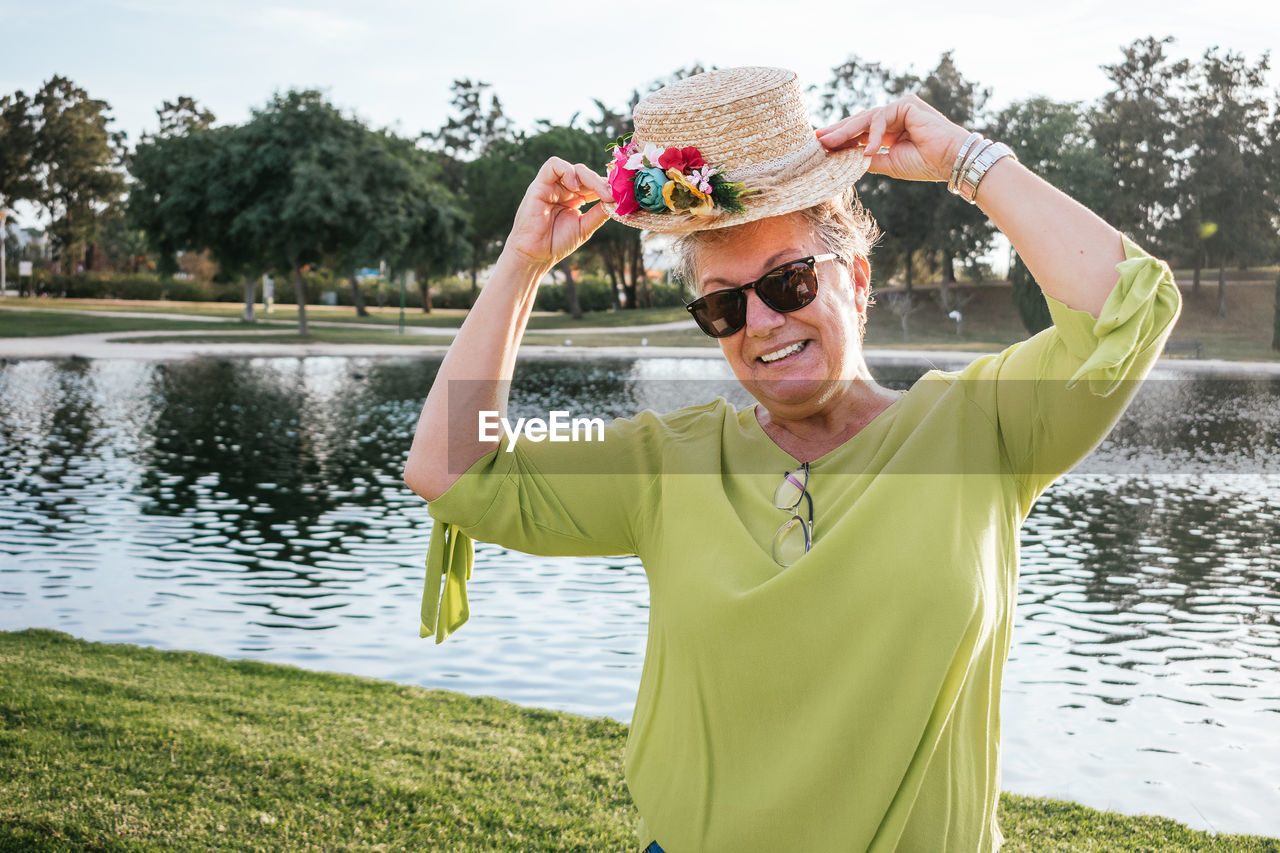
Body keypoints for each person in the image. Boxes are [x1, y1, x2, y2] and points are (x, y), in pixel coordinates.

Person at [403, 67, 1180, 852]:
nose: (764, 321)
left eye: (790, 278)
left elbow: (1121, 305)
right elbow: (450, 466)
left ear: (859, 278)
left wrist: (967, 162)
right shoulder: (665, 462)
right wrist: (522, 263)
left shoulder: (981, 429)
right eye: (723, 303)